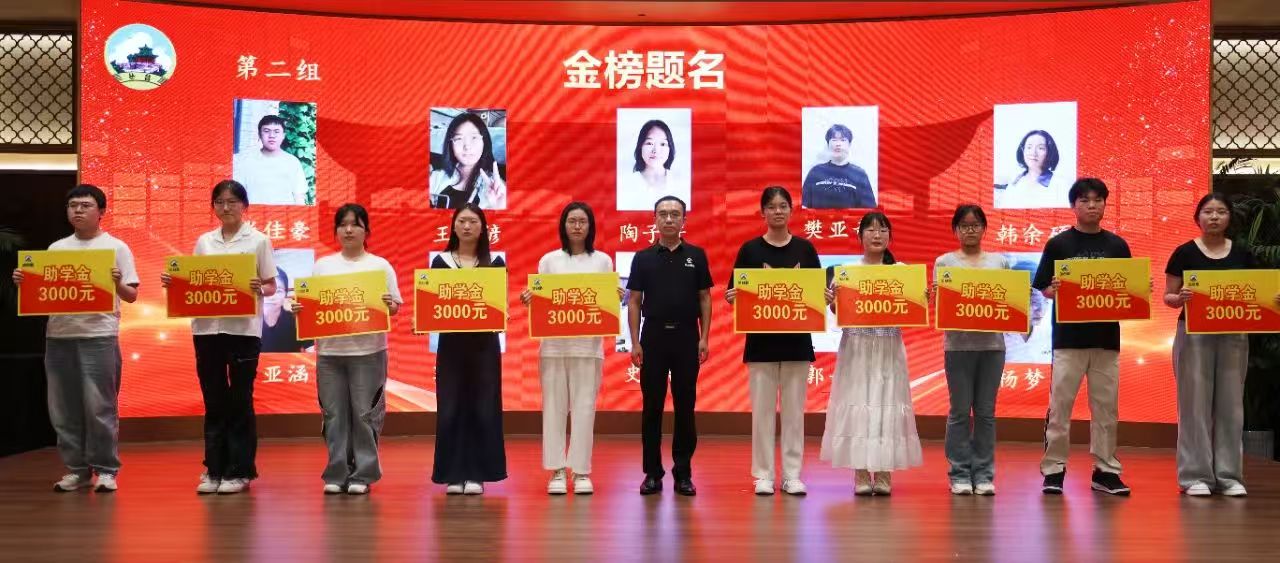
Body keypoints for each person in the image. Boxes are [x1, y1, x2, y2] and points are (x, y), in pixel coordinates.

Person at [11, 184, 139, 493]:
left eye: (85, 205)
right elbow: (44, 292)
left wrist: (117, 284)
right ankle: (77, 470)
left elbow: (132, 295)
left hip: (99, 336)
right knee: (63, 408)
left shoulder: (116, 247)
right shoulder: (57, 249)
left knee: (99, 407)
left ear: (101, 211)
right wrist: (24, 282)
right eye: (73, 206)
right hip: (59, 336)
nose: (78, 211)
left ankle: (106, 469)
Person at [162, 180, 276, 495]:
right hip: (206, 329)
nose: (226, 208)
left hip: (243, 331)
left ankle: (239, 470)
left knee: (239, 400)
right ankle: (214, 468)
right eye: (219, 202)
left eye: (232, 202)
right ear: (213, 206)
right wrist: (175, 282)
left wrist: (258, 286)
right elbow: (196, 281)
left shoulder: (259, 241)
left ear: (244, 206)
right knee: (213, 400)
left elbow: (271, 286)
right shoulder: (205, 241)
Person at [1163, 193, 1276, 497]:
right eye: (1208, 211)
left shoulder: (1243, 254)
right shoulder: (1184, 253)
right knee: (1194, 405)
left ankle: (1229, 476)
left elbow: (1258, 293)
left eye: (1221, 211)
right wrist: (1179, 298)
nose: (1214, 217)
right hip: (1194, 336)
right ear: (1197, 217)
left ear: (1229, 218)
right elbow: (1168, 297)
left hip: (1233, 334)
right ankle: (1195, 476)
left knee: (1231, 405)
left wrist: (1273, 300)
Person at [1033, 178, 1135, 496]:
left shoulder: (1117, 246)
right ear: (1073, 206)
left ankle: (1106, 471)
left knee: (1106, 409)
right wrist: (1055, 290)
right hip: (1068, 340)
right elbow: (1044, 288)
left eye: (1097, 200)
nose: (1092, 205)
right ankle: (1054, 469)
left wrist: (1138, 291)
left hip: (1106, 339)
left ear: (1105, 204)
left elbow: (1128, 290)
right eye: (1084, 200)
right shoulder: (1059, 244)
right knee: (1060, 407)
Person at [291, 204, 401, 495]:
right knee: (333, 414)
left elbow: (395, 306)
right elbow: (312, 304)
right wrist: (300, 308)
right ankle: (337, 472)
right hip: (330, 353)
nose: (349, 230)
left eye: (356, 224)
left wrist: (389, 305)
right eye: (343, 225)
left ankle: (363, 474)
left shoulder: (380, 266)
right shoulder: (323, 266)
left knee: (365, 414)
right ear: (336, 231)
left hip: (369, 351)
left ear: (366, 231)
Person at [724, 186, 820, 496]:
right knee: (762, 414)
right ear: (762, 212)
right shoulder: (750, 250)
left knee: (794, 415)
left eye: (783, 206)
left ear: (791, 211)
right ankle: (763, 474)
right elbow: (734, 293)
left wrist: (825, 297)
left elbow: (815, 295)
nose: (777, 211)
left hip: (797, 344)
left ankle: (792, 474)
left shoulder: (805, 250)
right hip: (761, 345)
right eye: (771, 206)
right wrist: (732, 297)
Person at [820, 211, 923, 495]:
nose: (877, 235)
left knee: (886, 406)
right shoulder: (847, 271)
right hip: (857, 347)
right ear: (860, 236)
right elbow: (838, 311)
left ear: (890, 236)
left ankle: (884, 473)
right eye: (870, 230)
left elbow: (912, 308)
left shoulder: (901, 271)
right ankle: (862, 473)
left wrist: (922, 298)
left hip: (888, 347)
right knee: (859, 406)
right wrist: (831, 301)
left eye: (882, 230)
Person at [520, 202, 618, 495]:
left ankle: (582, 471)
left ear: (590, 227)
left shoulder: (602, 261)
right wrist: (531, 297)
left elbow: (605, 300)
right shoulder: (549, 261)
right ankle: (557, 470)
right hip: (553, 347)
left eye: (582, 221)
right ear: (563, 225)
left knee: (585, 409)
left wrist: (615, 296)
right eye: (572, 221)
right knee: (554, 409)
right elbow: (541, 297)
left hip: (588, 347)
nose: (577, 226)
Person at [627, 195, 712, 496]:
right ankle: (652, 473)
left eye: (675, 214)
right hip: (653, 337)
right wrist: (635, 342)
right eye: (663, 214)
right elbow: (634, 301)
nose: (668, 219)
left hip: (687, 336)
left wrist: (704, 337)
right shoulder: (643, 258)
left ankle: (683, 472)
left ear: (684, 220)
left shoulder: (696, 255)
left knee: (685, 406)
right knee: (651, 407)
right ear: (654, 219)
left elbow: (705, 298)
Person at [934, 204, 1013, 496]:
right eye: (964, 226)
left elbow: (1009, 301)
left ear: (984, 229)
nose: (970, 230)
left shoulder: (999, 262)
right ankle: (959, 474)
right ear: (955, 230)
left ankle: (983, 474)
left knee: (985, 413)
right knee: (959, 411)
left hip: (992, 347)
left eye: (975, 225)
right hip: (958, 347)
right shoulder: (945, 262)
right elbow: (940, 304)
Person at [431, 203, 507, 494]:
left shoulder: (495, 262)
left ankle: (477, 474)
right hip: (451, 347)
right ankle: (453, 474)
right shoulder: (440, 262)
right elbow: (434, 305)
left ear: (483, 228)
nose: (466, 226)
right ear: (453, 226)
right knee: (450, 408)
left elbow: (498, 305)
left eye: (473, 222)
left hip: (484, 347)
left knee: (483, 408)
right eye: (462, 221)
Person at [429, 112, 507, 210]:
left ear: (484, 142)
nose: (467, 146)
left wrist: (499, 207)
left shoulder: (498, 187)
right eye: (459, 138)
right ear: (450, 144)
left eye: (474, 137)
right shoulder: (435, 177)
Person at [232, 115, 310, 205]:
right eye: (266, 131)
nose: (272, 136)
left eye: (276, 131)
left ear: (283, 135)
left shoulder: (292, 162)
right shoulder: (246, 161)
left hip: (284, 213)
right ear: (259, 134)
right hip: (254, 212)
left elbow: (299, 197)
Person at [617, 119, 690, 211]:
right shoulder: (625, 184)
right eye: (649, 143)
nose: (656, 150)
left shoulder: (682, 182)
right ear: (640, 147)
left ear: (670, 148)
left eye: (663, 144)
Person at [801, 124, 876, 209]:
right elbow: (803, 206)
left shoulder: (860, 175)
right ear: (828, 144)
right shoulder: (815, 172)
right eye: (834, 140)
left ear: (849, 144)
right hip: (819, 218)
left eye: (843, 140)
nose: (838, 144)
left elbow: (869, 210)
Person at [995, 129, 1068, 209]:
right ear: (1023, 150)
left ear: (1050, 152)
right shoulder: (1015, 182)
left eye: (1040, 148)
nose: (1033, 153)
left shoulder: (1061, 185)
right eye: (1029, 147)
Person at [262, 266, 312, 353]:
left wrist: (303, 320)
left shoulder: (293, 318)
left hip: (290, 362)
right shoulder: (250, 322)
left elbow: (311, 348)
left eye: (279, 291)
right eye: (267, 290)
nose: (271, 297)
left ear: (285, 294)